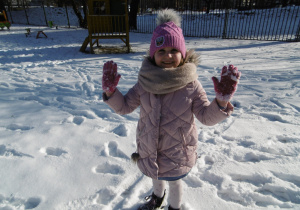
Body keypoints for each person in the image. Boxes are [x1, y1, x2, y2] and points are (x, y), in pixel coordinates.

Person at [102, 9, 241, 210]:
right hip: (149, 147)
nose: (168, 55)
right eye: (161, 51)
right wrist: (111, 93)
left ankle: (174, 207)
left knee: (175, 182)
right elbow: (124, 107)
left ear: (183, 55)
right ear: (153, 55)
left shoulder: (190, 84)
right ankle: (157, 198)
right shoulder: (144, 82)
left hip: (178, 152)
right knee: (155, 176)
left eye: (174, 51)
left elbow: (205, 117)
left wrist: (220, 102)